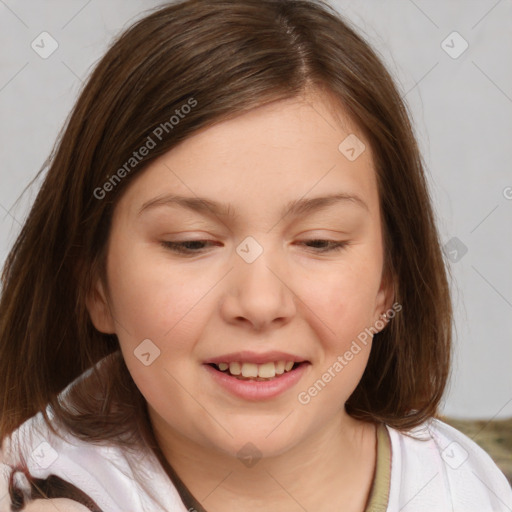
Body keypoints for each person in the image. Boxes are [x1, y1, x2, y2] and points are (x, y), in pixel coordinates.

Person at [0, 0, 511, 511]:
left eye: (320, 242)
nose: (261, 302)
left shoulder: (469, 490)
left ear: (388, 282)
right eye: (192, 243)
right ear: (95, 284)